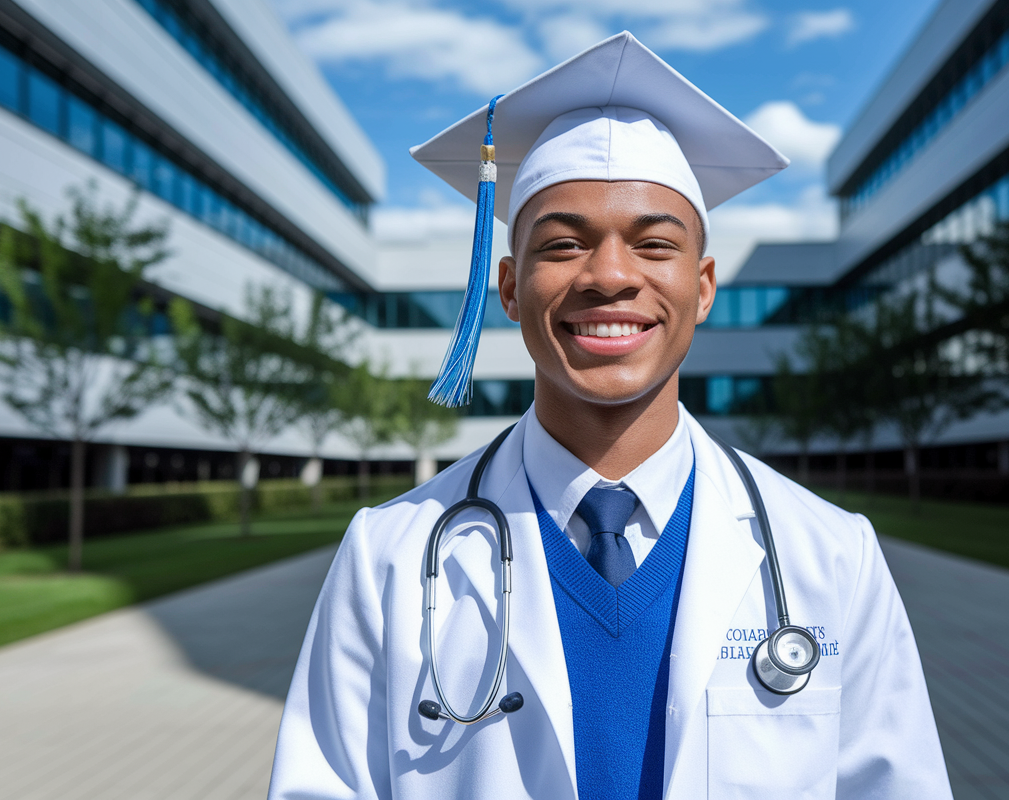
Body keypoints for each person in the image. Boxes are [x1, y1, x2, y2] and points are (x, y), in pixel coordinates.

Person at [268, 32, 952, 800]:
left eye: (654, 243)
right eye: (563, 244)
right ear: (508, 286)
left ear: (703, 286)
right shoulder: (388, 555)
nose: (610, 276)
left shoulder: (830, 556)